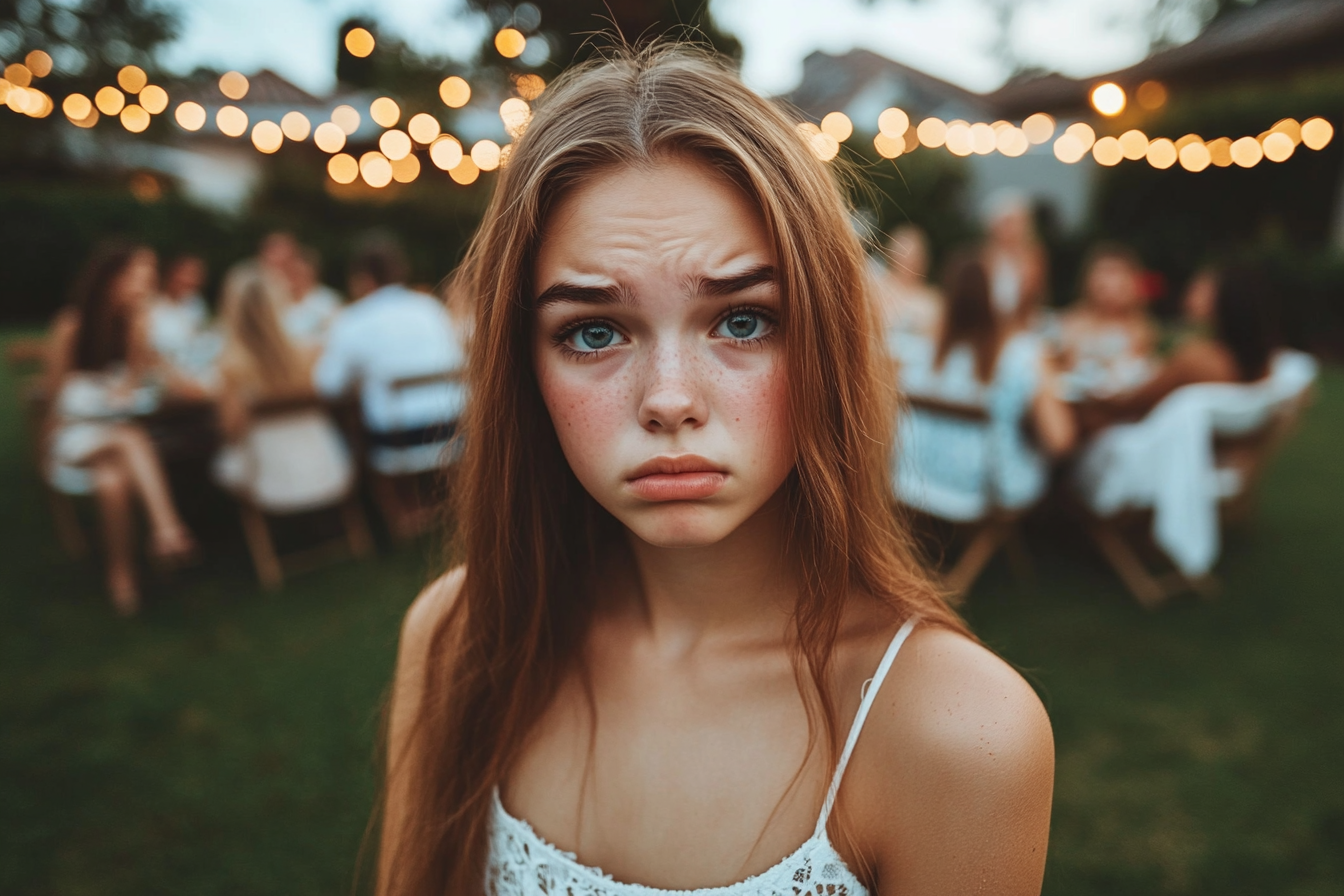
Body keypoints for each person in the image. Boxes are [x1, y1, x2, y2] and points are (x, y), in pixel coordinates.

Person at [377, 45, 1053, 896]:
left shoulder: (959, 733)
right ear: (525, 368)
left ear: (826, 342)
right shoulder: (456, 635)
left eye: (742, 320)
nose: (669, 400)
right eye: (593, 331)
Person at [44, 243, 197, 615]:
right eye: (137, 276)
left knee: (113, 483)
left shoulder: (132, 325)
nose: (145, 286)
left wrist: (139, 333)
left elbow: (133, 386)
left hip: (114, 441)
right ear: (110, 278)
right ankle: (166, 528)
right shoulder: (70, 326)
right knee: (132, 438)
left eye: (149, 277)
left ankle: (121, 576)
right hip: (72, 436)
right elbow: (54, 398)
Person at [893, 252, 1075, 519]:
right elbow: (1060, 441)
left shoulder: (916, 349)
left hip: (911, 477)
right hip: (983, 488)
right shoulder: (1023, 356)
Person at [313, 236, 466, 473]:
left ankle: (398, 507)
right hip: (454, 432)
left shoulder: (352, 320)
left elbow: (329, 386)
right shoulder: (429, 307)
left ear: (364, 278)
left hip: (397, 444)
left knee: (355, 436)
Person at [213, 264, 353, 510]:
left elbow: (230, 430)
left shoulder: (230, 367)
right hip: (329, 470)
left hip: (270, 483)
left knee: (221, 463)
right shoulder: (310, 355)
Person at [1080, 263, 1280, 429]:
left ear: (1224, 300)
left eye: (1200, 287)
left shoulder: (1196, 360)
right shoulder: (1261, 366)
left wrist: (1093, 397)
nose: (1191, 291)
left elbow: (1130, 404)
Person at [1057, 243, 1158, 399]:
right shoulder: (1071, 321)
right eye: (1104, 275)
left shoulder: (1140, 327)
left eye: (1117, 275)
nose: (1110, 284)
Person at [981, 191, 1047, 332]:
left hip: (1023, 325)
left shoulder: (1034, 256)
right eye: (1006, 223)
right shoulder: (984, 257)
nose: (1011, 229)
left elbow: (1035, 295)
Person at [873, 224, 941, 337]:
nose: (909, 263)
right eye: (903, 256)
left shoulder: (933, 300)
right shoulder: (877, 291)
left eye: (914, 257)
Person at [281, 245, 344, 349]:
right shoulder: (280, 300)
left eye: (300, 273)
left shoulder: (327, 300)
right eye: (292, 273)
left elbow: (336, 333)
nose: (295, 278)